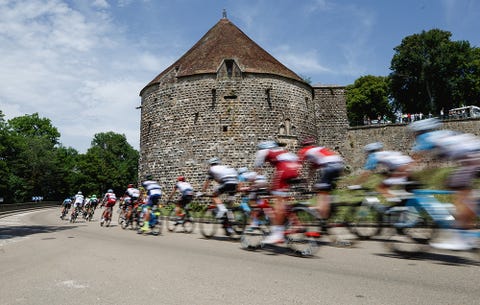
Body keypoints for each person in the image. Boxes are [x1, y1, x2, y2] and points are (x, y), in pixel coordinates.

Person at [409, 118, 480, 250]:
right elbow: (435, 161)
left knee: (459, 191)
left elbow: (415, 160)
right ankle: (471, 211)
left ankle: (461, 239)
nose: (413, 136)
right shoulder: (441, 136)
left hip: (473, 157)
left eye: (413, 133)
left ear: (418, 131)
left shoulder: (425, 138)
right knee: (455, 186)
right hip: (473, 155)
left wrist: (410, 174)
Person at [254, 140, 301, 244]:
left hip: (285, 169)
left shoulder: (262, 151)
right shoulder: (281, 150)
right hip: (296, 168)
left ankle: (278, 234)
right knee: (283, 200)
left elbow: (257, 170)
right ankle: (296, 223)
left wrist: (255, 185)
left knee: (278, 202)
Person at [297, 137, 345, 219]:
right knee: (327, 190)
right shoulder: (317, 151)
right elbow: (312, 169)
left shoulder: (305, 150)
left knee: (321, 191)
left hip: (330, 165)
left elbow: (298, 165)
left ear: (303, 145)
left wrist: (297, 177)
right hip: (339, 164)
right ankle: (332, 208)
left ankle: (323, 219)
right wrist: (307, 181)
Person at [199, 157, 238, 235]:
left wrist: (202, 192)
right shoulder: (224, 168)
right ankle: (229, 225)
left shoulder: (212, 169)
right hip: (235, 183)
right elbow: (219, 180)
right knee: (229, 205)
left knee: (214, 196)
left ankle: (222, 209)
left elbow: (207, 182)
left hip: (227, 183)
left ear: (210, 164)